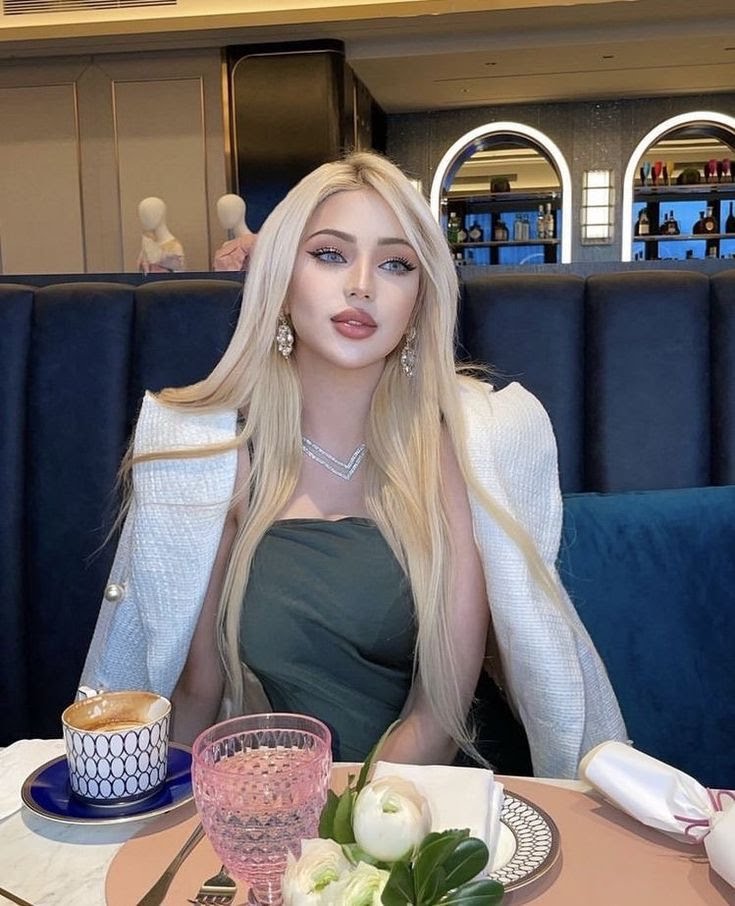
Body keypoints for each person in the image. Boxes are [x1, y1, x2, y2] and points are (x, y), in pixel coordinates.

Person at [80, 152, 627, 777]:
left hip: (435, 801)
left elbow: (437, 718)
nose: (362, 284)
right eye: (330, 254)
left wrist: (341, 824)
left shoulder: (459, 447)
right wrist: (170, 813)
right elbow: (196, 695)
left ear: (419, 302)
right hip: (273, 799)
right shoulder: (212, 458)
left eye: (396, 264)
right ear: (281, 281)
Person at [136, 196, 186, 274]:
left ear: (160, 214)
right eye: (142, 214)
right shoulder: (147, 244)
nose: (144, 219)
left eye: (149, 213)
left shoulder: (174, 247)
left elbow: (178, 276)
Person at [212, 193, 257, 272]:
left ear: (240, 211)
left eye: (227, 211)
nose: (222, 217)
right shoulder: (226, 245)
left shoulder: (254, 243)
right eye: (220, 212)